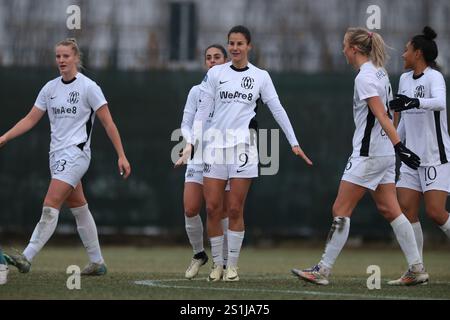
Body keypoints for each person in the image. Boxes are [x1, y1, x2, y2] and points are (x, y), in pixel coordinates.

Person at [291, 27, 428, 286]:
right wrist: (396, 146)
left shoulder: (365, 76)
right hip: (384, 152)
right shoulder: (380, 72)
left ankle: (323, 270)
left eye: (345, 45)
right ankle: (417, 268)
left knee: (340, 209)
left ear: (354, 48)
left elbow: (380, 114)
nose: (343, 50)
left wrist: (400, 145)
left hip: (370, 154)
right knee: (391, 209)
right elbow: (390, 112)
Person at [0, 38, 131, 276]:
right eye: (58, 56)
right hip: (56, 156)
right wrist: (5, 137)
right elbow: (30, 119)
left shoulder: (89, 87)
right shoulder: (50, 89)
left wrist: (121, 155)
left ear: (76, 58)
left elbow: (108, 123)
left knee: (50, 206)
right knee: (79, 208)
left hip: (77, 154)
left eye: (66, 56)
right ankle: (97, 262)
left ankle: (26, 257)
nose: (61, 60)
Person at [193, 25, 312, 282]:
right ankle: (217, 264)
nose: (235, 48)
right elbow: (202, 112)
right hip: (214, 147)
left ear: (249, 46)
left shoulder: (261, 76)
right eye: (231, 43)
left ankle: (232, 266)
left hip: (244, 148)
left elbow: (277, 109)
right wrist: (191, 143)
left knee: (235, 209)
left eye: (239, 44)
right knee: (213, 208)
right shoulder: (216, 74)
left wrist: (294, 142)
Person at [390, 26, 450, 260]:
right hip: (410, 159)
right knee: (406, 210)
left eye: (406, 50)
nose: (403, 54)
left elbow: (440, 103)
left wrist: (414, 102)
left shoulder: (434, 77)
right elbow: (404, 117)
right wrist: (397, 142)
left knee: (436, 213)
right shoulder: (404, 79)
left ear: (418, 53)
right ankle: (417, 268)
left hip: (436, 156)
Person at [175, 44, 230, 279]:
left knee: (219, 210)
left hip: (222, 156)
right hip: (197, 157)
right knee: (190, 208)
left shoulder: (231, 92)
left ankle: (226, 263)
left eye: (217, 57)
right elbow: (186, 124)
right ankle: (199, 254)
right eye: (208, 58)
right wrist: (190, 143)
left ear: (226, 60)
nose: (212, 61)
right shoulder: (196, 91)